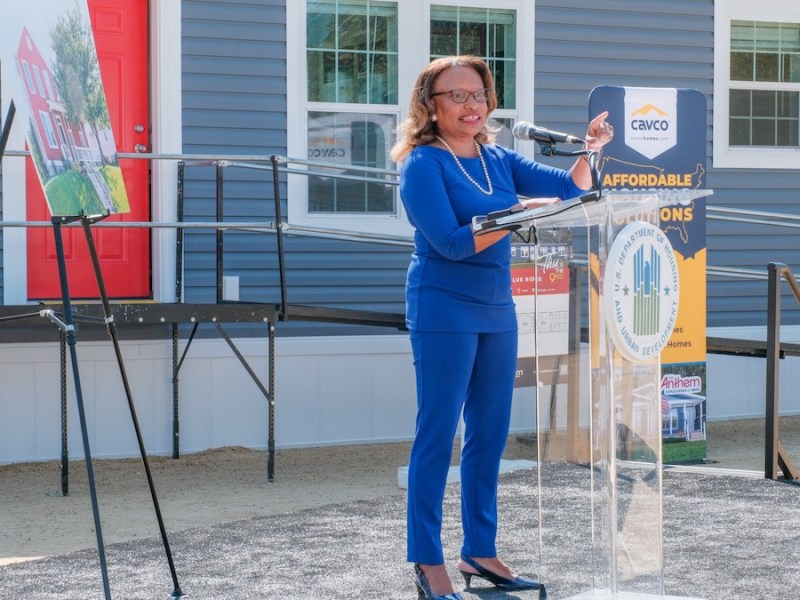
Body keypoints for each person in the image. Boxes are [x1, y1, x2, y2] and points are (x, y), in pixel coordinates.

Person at [389, 55, 613, 600]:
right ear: (430, 106)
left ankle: (479, 551)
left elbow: (569, 189)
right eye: (457, 95)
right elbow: (449, 242)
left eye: (479, 95)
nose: (471, 104)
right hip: (443, 305)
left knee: (490, 431)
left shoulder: (497, 158)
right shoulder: (423, 164)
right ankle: (427, 559)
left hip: (496, 305)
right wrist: (516, 215)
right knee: (437, 434)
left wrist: (589, 149)